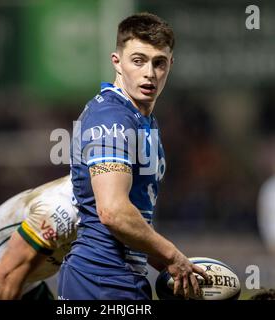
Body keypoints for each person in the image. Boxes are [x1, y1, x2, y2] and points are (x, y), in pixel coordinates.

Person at [58, 12, 208, 300]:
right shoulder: (111, 117)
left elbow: (133, 224)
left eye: (159, 63)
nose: (149, 73)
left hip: (121, 278)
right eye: (138, 60)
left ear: (170, 65)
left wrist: (171, 262)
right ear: (117, 61)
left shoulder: (141, 119)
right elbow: (112, 211)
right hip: (99, 280)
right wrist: (172, 254)